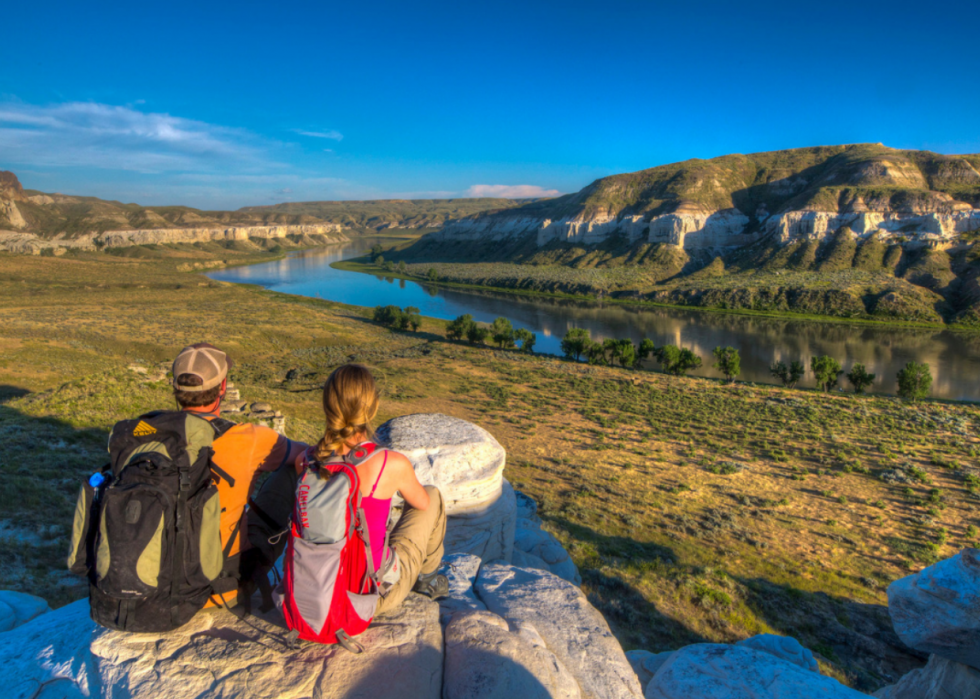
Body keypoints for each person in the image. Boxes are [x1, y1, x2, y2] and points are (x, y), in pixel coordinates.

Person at [171, 342, 308, 608]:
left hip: (151, 585)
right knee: (291, 470)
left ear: (176, 389)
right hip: (219, 587)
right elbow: (307, 455)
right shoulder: (247, 438)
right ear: (222, 387)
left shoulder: (140, 434)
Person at [312, 363, 448, 611]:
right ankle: (427, 580)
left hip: (316, 592)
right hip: (366, 597)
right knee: (432, 495)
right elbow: (423, 505)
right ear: (372, 408)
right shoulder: (390, 462)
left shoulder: (310, 462)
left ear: (327, 407)